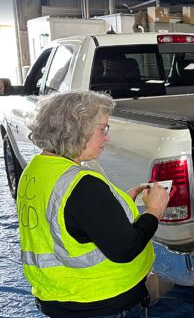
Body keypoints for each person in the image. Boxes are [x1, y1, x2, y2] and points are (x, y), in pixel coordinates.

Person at [17, 90, 170, 318]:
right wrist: (154, 211)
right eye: (103, 129)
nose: (107, 138)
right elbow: (125, 249)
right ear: (77, 129)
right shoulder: (82, 185)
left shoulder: (37, 169)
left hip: (60, 296)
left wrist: (121, 202)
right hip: (102, 301)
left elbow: (73, 220)